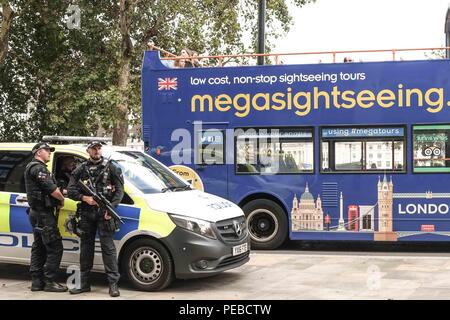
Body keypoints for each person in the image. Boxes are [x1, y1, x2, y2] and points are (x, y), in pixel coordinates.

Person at [67, 141, 124, 297]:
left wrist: (110, 209)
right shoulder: (81, 169)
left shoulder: (111, 166)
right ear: (88, 151)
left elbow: (120, 191)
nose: (97, 151)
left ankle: (113, 285)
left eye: (99, 148)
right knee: (86, 248)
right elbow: (70, 190)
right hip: (86, 213)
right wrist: (84, 198)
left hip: (104, 214)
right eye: (94, 149)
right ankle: (84, 284)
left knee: (108, 249)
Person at [24, 142, 67, 292]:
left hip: (36, 213)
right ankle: (49, 281)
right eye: (47, 150)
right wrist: (61, 199)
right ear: (38, 152)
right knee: (55, 247)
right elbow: (52, 190)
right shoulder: (38, 168)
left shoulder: (33, 167)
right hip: (43, 214)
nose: (49, 153)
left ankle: (36, 282)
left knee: (39, 246)